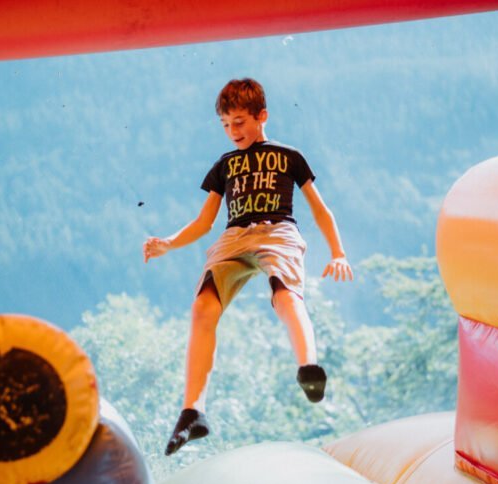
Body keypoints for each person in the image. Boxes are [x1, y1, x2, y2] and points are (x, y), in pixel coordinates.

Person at [143, 78, 352, 456]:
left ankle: (309, 367)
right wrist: (169, 243)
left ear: (262, 116)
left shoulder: (289, 156)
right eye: (225, 125)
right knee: (202, 307)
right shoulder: (225, 165)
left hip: (278, 232)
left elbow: (320, 209)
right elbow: (204, 222)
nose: (232, 131)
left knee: (285, 295)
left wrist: (337, 252)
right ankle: (193, 412)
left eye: (239, 122)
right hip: (234, 237)